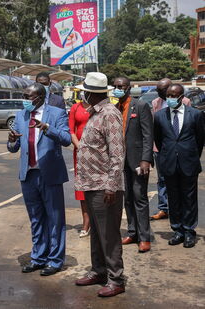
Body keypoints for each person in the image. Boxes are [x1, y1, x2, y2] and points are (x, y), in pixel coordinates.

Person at [7, 83, 71, 277]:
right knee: (36, 219)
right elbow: (13, 147)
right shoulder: (21, 115)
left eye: (29, 97)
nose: (26, 100)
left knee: (55, 219)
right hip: (29, 174)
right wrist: (11, 140)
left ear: (41, 97)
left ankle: (55, 260)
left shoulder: (57, 114)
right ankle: (38, 258)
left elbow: (67, 139)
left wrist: (48, 128)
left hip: (50, 174)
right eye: (24, 96)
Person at [74, 72, 125, 297]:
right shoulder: (95, 113)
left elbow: (117, 154)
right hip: (90, 183)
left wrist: (111, 186)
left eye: (84, 92)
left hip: (105, 185)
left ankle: (116, 279)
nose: (82, 95)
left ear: (90, 93)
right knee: (97, 232)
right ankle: (99, 271)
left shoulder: (110, 114)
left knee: (109, 235)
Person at [154, 84, 204, 248]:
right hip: (169, 163)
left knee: (189, 199)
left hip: (189, 163)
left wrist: (191, 156)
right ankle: (178, 231)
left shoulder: (195, 114)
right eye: (168, 95)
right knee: (173, 199)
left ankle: (189, 231)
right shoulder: (160, 116)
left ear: (182, 97)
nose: (170, 98)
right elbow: (159, 140)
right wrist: (168, 155)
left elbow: (200, 140)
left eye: (174, 95)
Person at [113, 77, 153, 253]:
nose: (117, 89)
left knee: (140, 198)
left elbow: (148, 135)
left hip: (137, 161)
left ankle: (144, 237)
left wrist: (146, 159)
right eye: (115, 86)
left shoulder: (141, 105)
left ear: (128, 88)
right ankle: (132, 232)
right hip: (121, 162)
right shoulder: (115, 108)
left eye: (120, 86)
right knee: (127, 198)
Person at [150, 78, 191, 220]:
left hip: (179, 149)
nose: (160, 93)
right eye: (158, 91)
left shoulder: (185, 102)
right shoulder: (156, 103)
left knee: (179, 179)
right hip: (161, 149)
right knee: (162, 179)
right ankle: (164, 208)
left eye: (162, 91)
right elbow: (155, 128)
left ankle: (178, 208)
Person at [68, 92, 91, 238]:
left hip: (98, 153)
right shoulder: (75, 108)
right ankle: (86, 223)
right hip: (80, 153)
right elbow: (71, 130)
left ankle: (99, 221)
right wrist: (80, 147)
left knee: (99, 187)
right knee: (82, 189)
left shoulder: (101, 107)